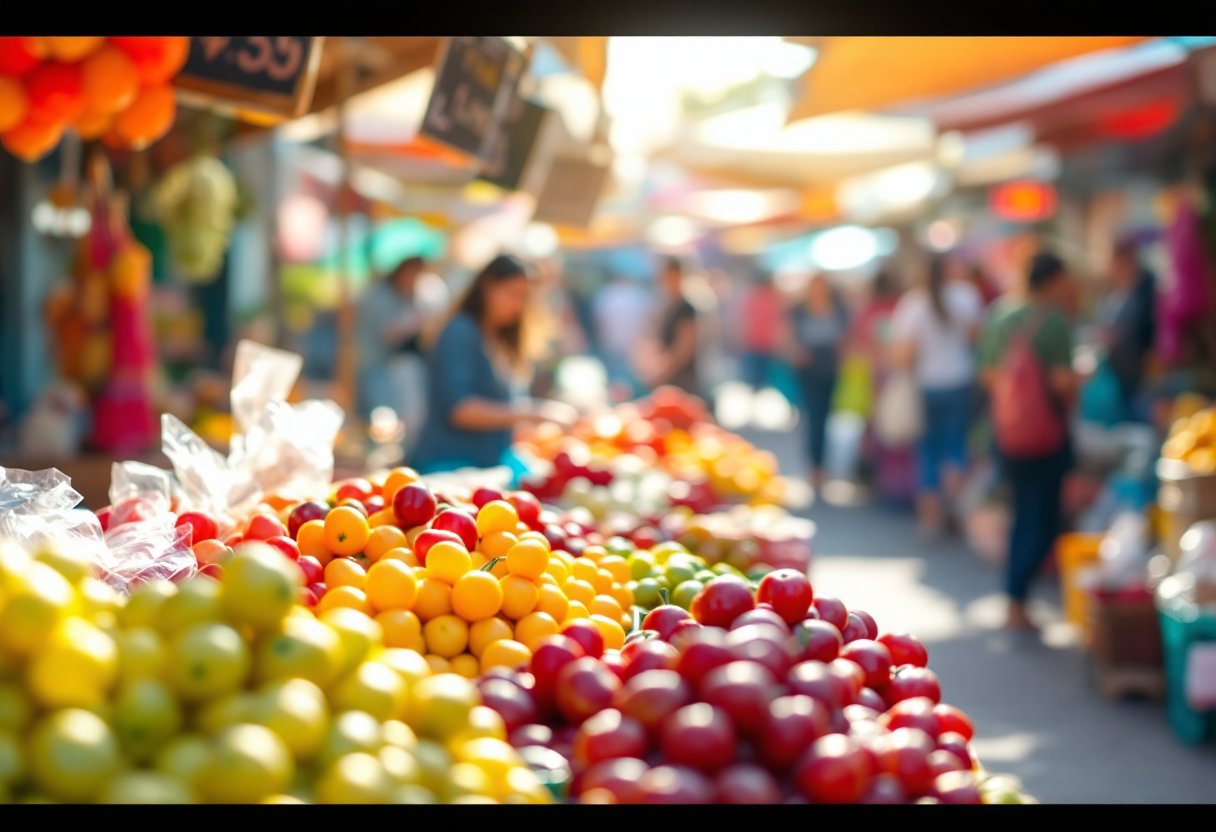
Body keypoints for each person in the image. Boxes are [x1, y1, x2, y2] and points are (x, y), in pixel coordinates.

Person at [977, 252, 1079, 632]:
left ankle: (1014, 599)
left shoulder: (1000, 315)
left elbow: (988, 374)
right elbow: (1061, 381)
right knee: (1043, 518)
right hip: (1046, 434)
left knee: (1021, 514)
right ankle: (1017, 598)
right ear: (1053, 281)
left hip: (1007, 431)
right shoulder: (1054, 322)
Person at [409, 254, 572, 474]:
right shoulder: (460, 332)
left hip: (488, 464)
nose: (518, 304)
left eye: (524, 297)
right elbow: (461, 410)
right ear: (487, 287)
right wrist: (533, 413)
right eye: (512, 294)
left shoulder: (498, 338)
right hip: (449, 465)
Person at [889, 256, 985, 537]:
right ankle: (958, 509)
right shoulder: (966, 297)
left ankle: (930, 520)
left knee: (928, 451)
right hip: (960, 381)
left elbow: (904, 354)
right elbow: (976, 337)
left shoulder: (913, 304)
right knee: (956, 447)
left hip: (927, 385)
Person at [355, 256, 431, 441]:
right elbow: (389, 334)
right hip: (376, 368)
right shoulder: (381, 297)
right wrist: (419, 324)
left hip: (392, 371)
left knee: (394, 426)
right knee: (380, 423)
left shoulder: (407, 296)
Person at [787, 272, 849, 491]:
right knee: (813, 418)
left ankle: (822, 465)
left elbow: (846, 336)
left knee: (826, 418)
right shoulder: (799, 311)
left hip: (830, 369)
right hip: (808, 370)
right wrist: (797, 353)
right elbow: (786, 338)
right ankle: (815, 466)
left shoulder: (838, 309)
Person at [1098, 238, 1156, 420]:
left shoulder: (1146, 288)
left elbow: (1145, 324)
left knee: (1140, 412)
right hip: (1118, 367)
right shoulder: (1113, 290)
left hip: (1141, 366)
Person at [640, 256, 701, 396]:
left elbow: (685, 347)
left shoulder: (686, 309)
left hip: (683, 381)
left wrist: (663, 372)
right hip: (671, 379)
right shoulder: (669, 307)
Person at [591, 271, 651, 400]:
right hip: (632, 347)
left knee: (616, 382)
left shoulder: (606, 294)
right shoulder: (639, 295)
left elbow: (599, 323)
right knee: (629, 382)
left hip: (613, 346)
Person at [737, 270, 787, 393]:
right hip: (760, 345)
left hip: (763, 345)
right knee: (763, 381)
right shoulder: (771, 299)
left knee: (759, 381)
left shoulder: (758, 298)